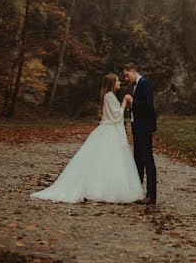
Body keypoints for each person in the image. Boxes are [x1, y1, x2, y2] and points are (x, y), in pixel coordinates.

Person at [30, 74, 143, 203]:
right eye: (117, 81)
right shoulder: (110, 96)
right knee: (109, 159)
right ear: (112, 83)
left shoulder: (108, 96)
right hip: (109, 131)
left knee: (103, 160)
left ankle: (101, 186)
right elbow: (116, 116)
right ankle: (104, 189)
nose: (120, 82)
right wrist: (124, 101)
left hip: (107, 130)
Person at [122, 62, 157, 205]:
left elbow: (149, 106)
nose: (125, 78)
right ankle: (137, 192)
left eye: (126, 75)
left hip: (145, 129)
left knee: (147, 161)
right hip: (138, 128)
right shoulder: (137, 85)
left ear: (133, 70)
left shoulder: (144, 83)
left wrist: (132, 101)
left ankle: (151, 195)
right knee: (138, 161)